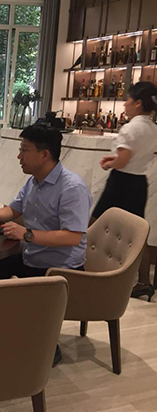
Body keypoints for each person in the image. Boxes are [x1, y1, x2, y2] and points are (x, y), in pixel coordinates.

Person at [0, 124, 91, 366]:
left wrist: (26, 235)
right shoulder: (34, 181)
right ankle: (7, 324)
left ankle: (45, 345)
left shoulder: (72, 188)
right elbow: (14, 210)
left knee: (4, 277)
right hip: (34, 256)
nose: (19, 156)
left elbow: (73, 237)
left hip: (59, 268)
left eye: (24, 150)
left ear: (44, 155)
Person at [91, 82, 157, 300]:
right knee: (138, 233)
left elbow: (123, 161)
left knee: (96, 221)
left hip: (121, 182)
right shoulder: (152, 128)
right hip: (139, 183)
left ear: (138, 103)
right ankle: (144, 281)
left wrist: (110, 163)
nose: (124, 104)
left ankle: (84, 266)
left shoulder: (130, 128)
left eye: (127, 100)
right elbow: (135, 157)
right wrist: (116, 159)